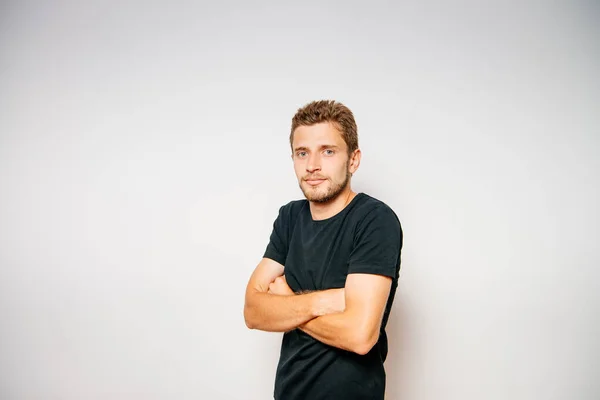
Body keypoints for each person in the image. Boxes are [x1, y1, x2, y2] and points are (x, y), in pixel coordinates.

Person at [243, 100, 403, 400]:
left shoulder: (374, 220)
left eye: (328, 151)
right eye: (302, 153)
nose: (312, 165)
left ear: (353, 160)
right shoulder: (290, 218)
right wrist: (325, 301)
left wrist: (288, 302)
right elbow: (253, 311)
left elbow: (360, 336)